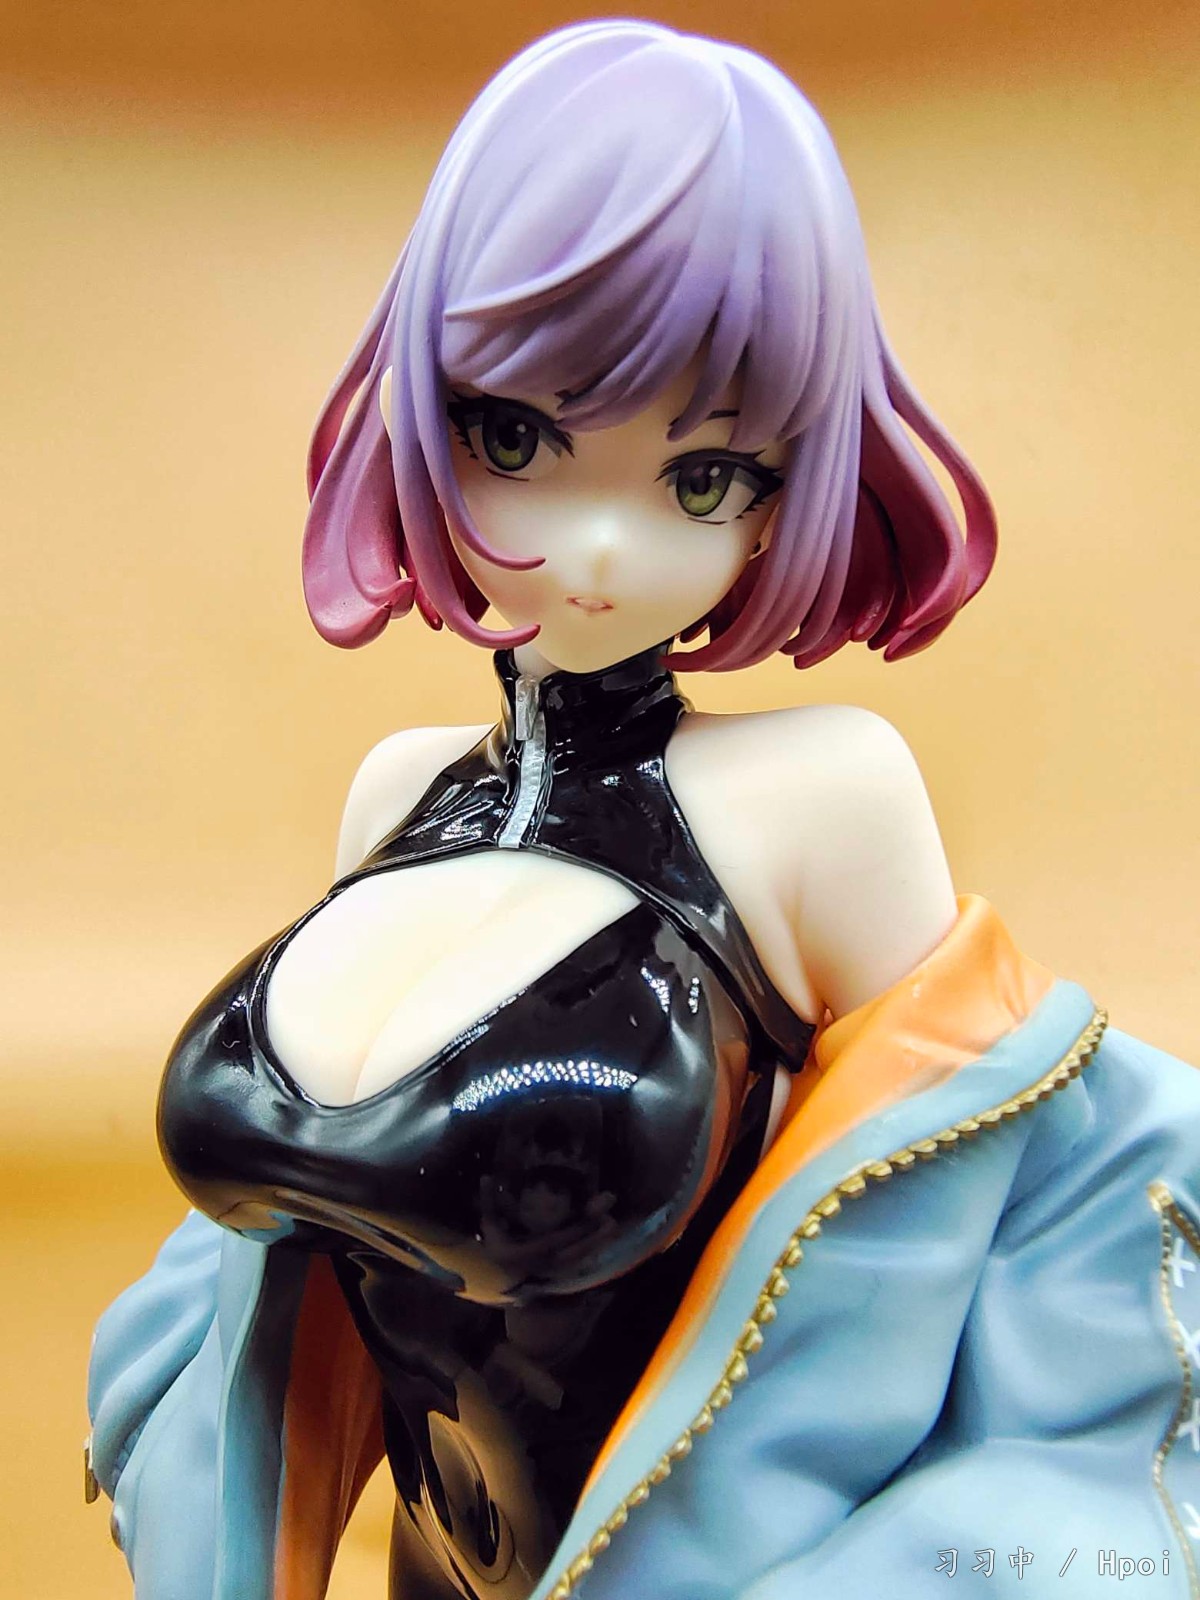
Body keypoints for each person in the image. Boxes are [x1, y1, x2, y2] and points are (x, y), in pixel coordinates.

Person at [86, 21, 1200, 1600]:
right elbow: (292, 1287)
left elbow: (919, 1240)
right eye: (517, 440)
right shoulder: (399, 796)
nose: (603, 547)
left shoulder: (824, 800)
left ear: (794, 478)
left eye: (704, 477)